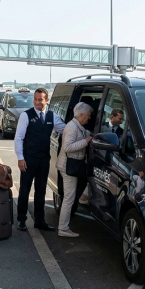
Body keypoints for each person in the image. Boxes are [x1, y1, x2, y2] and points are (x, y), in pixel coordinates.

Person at [14, 87, 66, 231]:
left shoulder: (51, 116)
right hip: (29, 159)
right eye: (35, 99)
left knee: (41, 190)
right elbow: (18, 138)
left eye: (40, 99)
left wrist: (82, 131)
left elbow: (64, 129)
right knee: (25, 190)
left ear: (46, 100)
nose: (37, 102)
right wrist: (20, 158)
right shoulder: (26, 116)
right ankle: (21, 220)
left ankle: (39, 220)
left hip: (44, 160)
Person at [55, 102, 93, 238]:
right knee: (69, 198)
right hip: (68, 167)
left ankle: (64, 227)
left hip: (71, 165)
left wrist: (89, 134)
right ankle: (63, 228)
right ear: (81, 115)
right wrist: (86, 141)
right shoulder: (72, 127)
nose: (89, 118)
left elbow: (82, 134)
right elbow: (68, 147)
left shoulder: (76, 126)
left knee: (71, 196)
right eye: (88, 116)